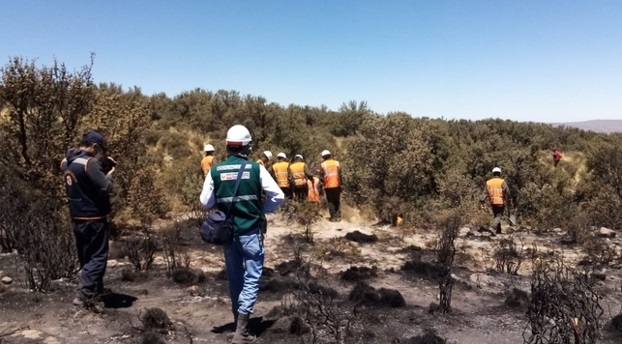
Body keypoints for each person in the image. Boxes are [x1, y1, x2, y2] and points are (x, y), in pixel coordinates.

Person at [200, 125, 284, 344]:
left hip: (229, 235)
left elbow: (205, 202)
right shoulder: (256, 169)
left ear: (228, 146)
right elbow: (278, 196)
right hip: (251, 232)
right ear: (247, 147)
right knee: (252, 278)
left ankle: (239, 320)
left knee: (235, 279)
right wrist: (262, 210)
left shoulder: (215, 171)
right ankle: (242, 331)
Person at [61, 131, 115, 313]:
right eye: (101, 150)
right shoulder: (89, 163)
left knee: (86, 257)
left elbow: (83, 182)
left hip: (77, 216)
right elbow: (106, 187)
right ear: (95, 147)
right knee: (98, 257)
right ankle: (84, 295)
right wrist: (109, 172)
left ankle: (95, 291)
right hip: (94, 216)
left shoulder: (67, 161)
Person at [481, 167, 512, 235]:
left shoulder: (488, 182)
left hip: (492, 202)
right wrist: (509, 200)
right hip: (500, 201)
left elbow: (485, 192)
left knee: (496, 215)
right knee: (499, 216)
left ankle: (498, 230)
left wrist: (482, 200)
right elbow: (507, 192)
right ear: (500, 174)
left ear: (493, 174)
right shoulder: (502, 182)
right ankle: (492, 227)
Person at [320, 150, 343, 222]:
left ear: (323, 157)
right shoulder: (337, 163)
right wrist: (342, 184)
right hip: (337, 184)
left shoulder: (322, 165)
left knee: (331, 201)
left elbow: (321, 176)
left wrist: (322, 183)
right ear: (330, 155)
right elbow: (340, 174)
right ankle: (338, 217)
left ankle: (333, 217)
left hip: (328, 185)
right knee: (337, 200)